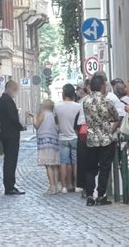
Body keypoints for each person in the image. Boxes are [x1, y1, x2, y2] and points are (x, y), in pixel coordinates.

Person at [83, 75, 119, 206]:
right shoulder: (107, 101)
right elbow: (116, 118)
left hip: (91, 138)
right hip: (105, 139)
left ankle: (90, 196)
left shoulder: (85, 102)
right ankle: (101, 195)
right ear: (102, 86)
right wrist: (110, 131)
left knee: (90, 169)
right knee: (104, 168)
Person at [0, 81, 26, 195]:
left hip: (6, 134)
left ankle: (9, 185)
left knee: (9, 160)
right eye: (15, 89)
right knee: (11, 161)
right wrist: (20, 127)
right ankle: (10, 186)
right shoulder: (7, 101)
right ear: (9, 88)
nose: (15, 92)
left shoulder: (2, 100)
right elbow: (12, 118)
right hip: (11, 135)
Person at [54, 84, 82, 194]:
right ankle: (76, 185)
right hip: (74, 137)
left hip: (62, 137)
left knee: (63, 162)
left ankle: (64, 187)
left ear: (64, 93)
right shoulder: (78, 106)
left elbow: (56, 121)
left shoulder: (57, 106)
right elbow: (79, 123)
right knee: (76, 162)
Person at [29, 99, 60, 195]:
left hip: (45, 142)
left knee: (48, 165)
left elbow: (36, 125)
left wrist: (34, 116)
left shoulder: (43, 113)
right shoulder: (53, 115)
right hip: (54, 141)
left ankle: (52, 187)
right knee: (54, 165)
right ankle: (56, 187)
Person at [76, 80, 90, 197]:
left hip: (84, 132)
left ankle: (86, 188)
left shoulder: (82, 101)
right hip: (87, 132)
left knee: (85, 162)